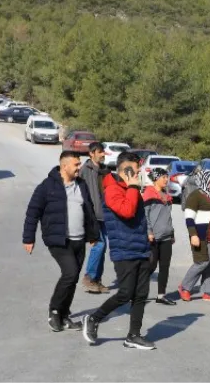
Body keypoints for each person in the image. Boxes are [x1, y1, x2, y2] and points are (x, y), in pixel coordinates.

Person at [82, 152, 156, 350]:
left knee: (141, 294)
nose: (139, 172)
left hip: (140, 248)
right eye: (136, 168)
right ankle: (94, 318)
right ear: (126, 170)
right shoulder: (112, 190)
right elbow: (127, 211)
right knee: (124, 294)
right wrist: (133, 187)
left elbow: (139, 217)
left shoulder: (130, 188)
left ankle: (133, 335)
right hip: (124, 250)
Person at [22, 151, 99, 331]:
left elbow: (89, 210)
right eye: (76, 165)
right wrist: (28, 237)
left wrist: (93, 235)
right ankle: (54, 311)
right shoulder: (47, 186)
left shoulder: (81, 185)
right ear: (64, 166)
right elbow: (33, 212)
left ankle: (65, 316)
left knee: (72, 279)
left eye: (79, 164)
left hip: (79, 240)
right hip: (58, 240)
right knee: (70, 274)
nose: (79, 167)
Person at [177, 169, 210, 303]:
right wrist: (193, 235)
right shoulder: (195, 195)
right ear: (205, 180)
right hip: (202, 236)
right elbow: (189, 218)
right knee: (202, 262)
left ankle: (208, 292)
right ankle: (185, 287)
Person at [143, 168, 176, 305]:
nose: (166, 180)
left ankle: (161, 295)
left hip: (166, 236)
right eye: (163, 177)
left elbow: (168, 217)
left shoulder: (166, 196)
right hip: (154, 237)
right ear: (156, 178)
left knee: (165, 267)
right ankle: (139, 293)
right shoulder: (149, 194)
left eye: (167, 177)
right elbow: (145, 216)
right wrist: (149, 231)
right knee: (150, 266)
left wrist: (172, 232)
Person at [81, 142, 111, 294]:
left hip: (104, 214)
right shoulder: (85, 170)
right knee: (99, 245)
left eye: (103, 152)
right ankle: (89, 277)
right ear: (91, 153)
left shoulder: (105, 170)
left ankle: (97, 281)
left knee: (103, 246)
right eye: (100, 152)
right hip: (92, 214)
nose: (103, 154)